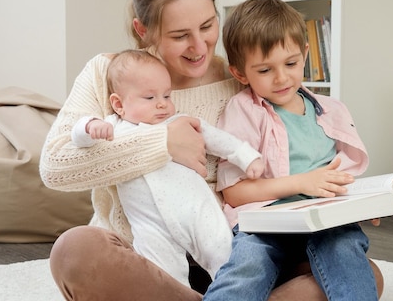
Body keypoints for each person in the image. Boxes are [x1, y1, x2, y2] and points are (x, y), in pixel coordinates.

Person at [40, 0, 383, 300]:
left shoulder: (244, 78)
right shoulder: (107, 73)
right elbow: (55, 168)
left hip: (227, 254)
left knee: (362, 273)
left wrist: (353, 202)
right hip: (145, 257)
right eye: (179, 35)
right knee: (74, 251)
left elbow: (296, 148)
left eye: (207, 26)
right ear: (143, 30)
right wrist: (161, 143)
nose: (199, 46)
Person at [203, 0, 380, 301]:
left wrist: (365, 204)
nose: (282, 78)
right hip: (265, 224)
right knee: (249, 262)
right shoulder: (243, 111)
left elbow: (342, 179)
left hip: (326, 222)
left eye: (291, 63)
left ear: (305, 55)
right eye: (265, 70)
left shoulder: (330, 111)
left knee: (345, 249)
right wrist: (300, 183)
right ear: (240, 74)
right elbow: (234, 192)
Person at [70, 49, 264, 286]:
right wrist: (90, 126)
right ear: (119, 104)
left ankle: (232, 292)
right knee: (163, 277)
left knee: (224, 253)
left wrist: (246, 156)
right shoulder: (114, 128)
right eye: (150, 98)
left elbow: (218, 139)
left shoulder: (178, 121)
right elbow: (77, 138)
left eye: (167, 96)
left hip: (196, 209)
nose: (162, 105)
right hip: (150, 224)